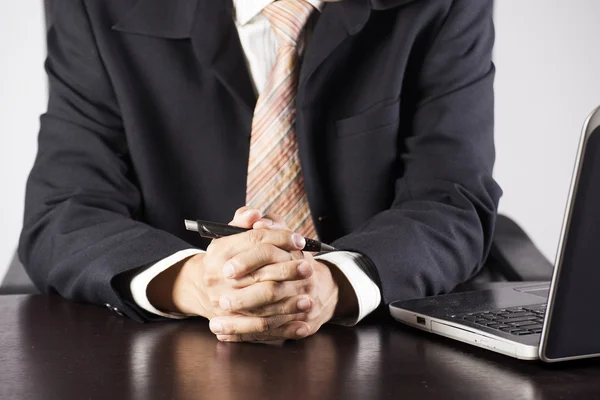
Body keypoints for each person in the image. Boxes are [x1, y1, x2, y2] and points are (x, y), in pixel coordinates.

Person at [19, 0, 501, 342]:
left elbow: (451, 196)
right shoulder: (94, 6)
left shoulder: (444, 6)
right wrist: (201, 283)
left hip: (376, 334)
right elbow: (66, 206)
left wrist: (328, 284)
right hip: (169, 343)